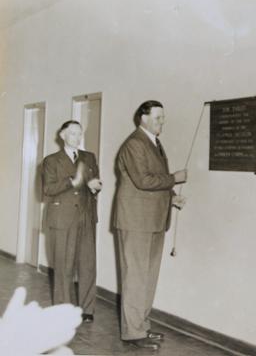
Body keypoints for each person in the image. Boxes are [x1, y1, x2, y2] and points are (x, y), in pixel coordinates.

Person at [113, 100, 187, 350]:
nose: (162, 122)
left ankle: (141, 327)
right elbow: (143, 180)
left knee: (148, 278)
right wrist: (174, 178)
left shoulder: (154, 143)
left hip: (154, 220)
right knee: (135, 277)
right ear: (143, 118)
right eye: (157, 117)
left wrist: (171, 196)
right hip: (135, 221)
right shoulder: (134, 143)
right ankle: (133, 333)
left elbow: (154, 181)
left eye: (163, 117)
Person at [42, 120, 102, 323]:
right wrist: (71, 181)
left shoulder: (89, 158)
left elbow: (95, 183)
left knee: (87, 265)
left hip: (86, 217)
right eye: (73, 133)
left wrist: (95, 186)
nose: (77, 137)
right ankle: (63, 310)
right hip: (63, 219)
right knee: (63, 266)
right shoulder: (51, 161)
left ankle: (87, 310)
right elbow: (48, 189)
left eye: (80, 133)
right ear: (62, 135)